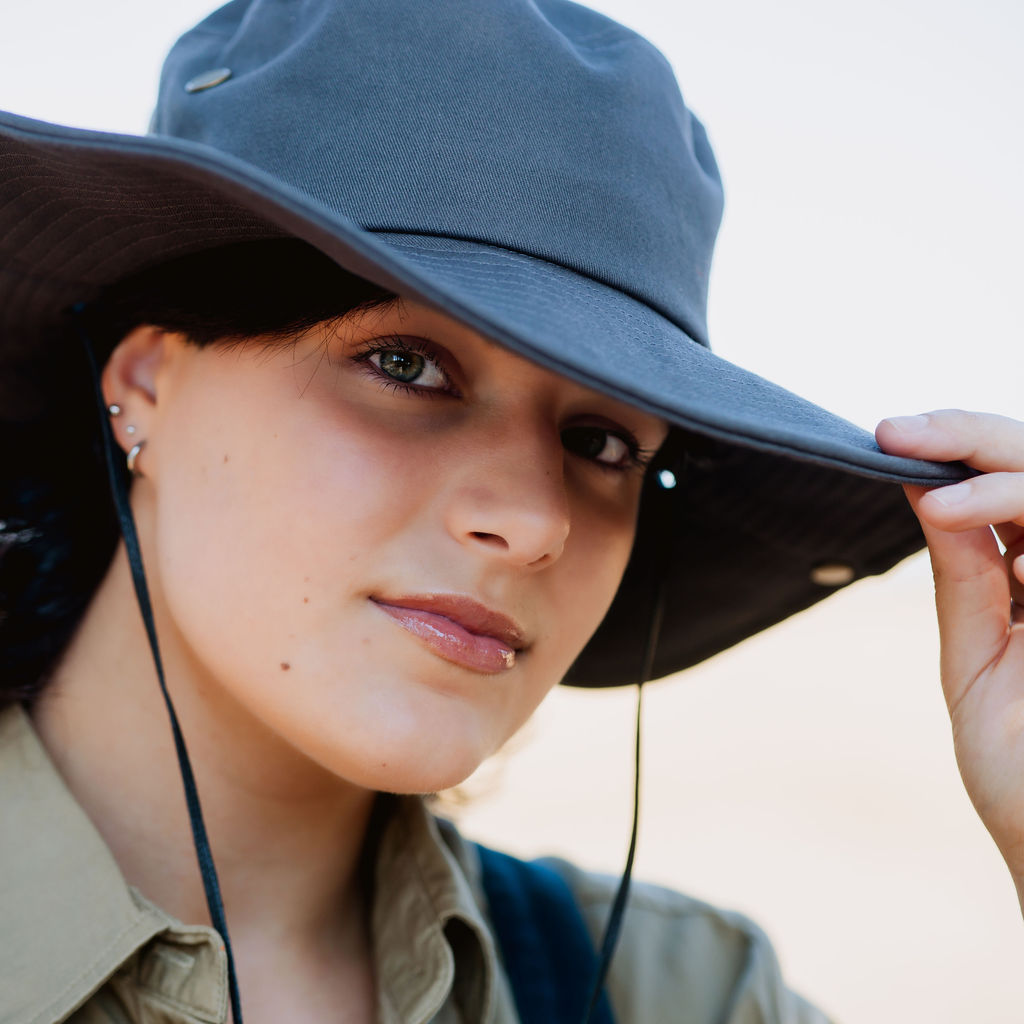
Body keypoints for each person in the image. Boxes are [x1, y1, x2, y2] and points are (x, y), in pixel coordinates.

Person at [1, 1, 1021, 1022]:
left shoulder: (675, 995)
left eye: (603, 443)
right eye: (403, 364)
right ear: (144, 382)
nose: (537, 520)